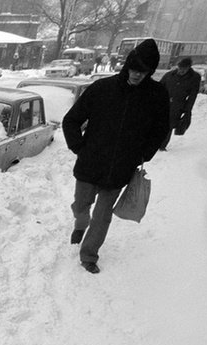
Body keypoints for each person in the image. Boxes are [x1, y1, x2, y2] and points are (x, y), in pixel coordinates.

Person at [61, 38, 170, 274]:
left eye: (143, 72)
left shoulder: (156, 96)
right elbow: (71, 120)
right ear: (127, 65)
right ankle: (80, 224)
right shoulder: (102, 88)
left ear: (150, 72)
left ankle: (89, 255)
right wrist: (79, 147)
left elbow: (160, 129)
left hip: (120, 167)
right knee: (81, 205)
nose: (137, 75)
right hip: (90, 163)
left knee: (103, 215)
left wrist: (142, 155)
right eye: (134, 69)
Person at [159, 57, 201, 149]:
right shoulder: (169, 75)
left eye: (184, 69)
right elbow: (159, 87)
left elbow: (193, 96)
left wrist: (187, 110)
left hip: (177, 106)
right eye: (180, 68)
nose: (181, 71)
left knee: (168, 126)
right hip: (163, 104)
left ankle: (162, 146)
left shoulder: (194, 78)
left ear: (189, 68)